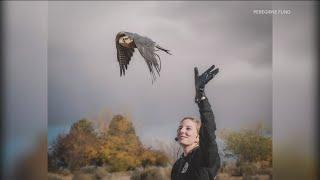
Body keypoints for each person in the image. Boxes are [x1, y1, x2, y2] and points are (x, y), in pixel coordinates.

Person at [171, 65, 221, 180]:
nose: (182, 131)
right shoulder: (177, 165)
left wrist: (201, 97)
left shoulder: (204, 156)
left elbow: (208, 132)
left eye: (188, 128)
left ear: (198, 137)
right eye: (180, 128)